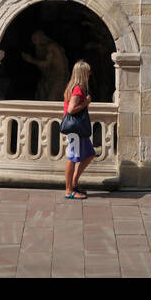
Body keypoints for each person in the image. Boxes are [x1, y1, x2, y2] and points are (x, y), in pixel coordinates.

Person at [62, 61, 95, 200]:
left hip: (78, 130)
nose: (90, 74)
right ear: (82, 74)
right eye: (88, 72)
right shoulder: (77, 89)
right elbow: (71, 110)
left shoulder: (75, 88)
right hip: (75, 129)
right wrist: (85, 103)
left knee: (89, 154)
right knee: (73, 158)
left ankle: (74, 182)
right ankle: (69, 191)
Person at [21, 30, 68, 101]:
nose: (34, 41)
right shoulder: (41, 47)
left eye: (35, 39)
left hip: (58, 79)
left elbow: (46, 64)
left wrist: (30, 60)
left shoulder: (51, 47)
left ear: (42, 37)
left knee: (51, 100)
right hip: (48, 78)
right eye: (33, 39)